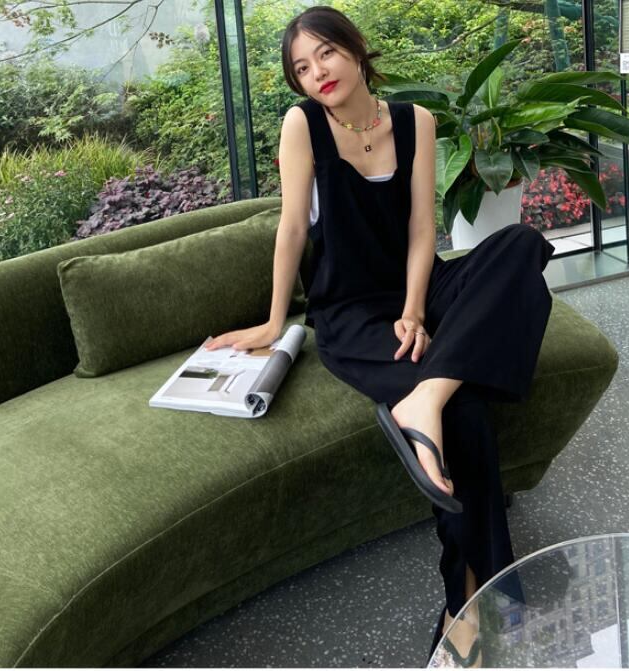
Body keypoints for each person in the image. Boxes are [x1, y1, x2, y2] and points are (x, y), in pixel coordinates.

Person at [205, 5, 555, 662]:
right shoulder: (303, 125)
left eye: (325, 53)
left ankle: (424, 397)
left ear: (356, 49)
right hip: (350, 314)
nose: (317, 73)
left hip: (418, 293)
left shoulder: (414, 120)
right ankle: (469, 599)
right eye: (301, 68)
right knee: (467, 411)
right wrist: (276, 321)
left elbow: (423, 228)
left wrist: (417, 311)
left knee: (521, 247)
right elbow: (291, 229)